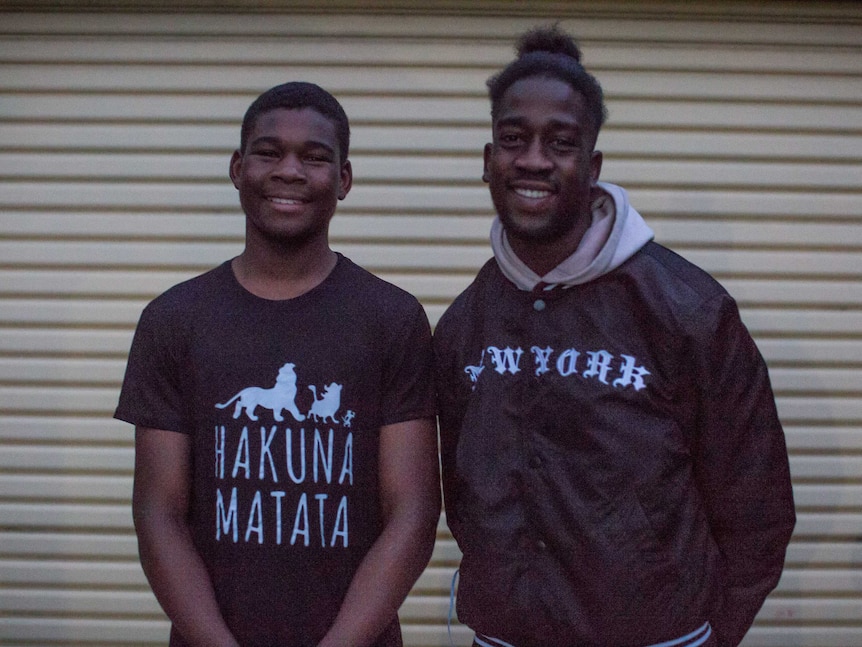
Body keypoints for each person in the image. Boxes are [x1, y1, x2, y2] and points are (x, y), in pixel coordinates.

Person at [434, 25, 795, 647]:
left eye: (561, 142)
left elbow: (757, 507)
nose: (534, 159)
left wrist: (714, 634)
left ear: (592, 165)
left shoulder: (688, 309)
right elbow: (461, 496)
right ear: (488, 161)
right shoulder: (465, 324)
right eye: (514, 139)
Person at [116, 81, 440, 647]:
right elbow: (158, 513)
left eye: (314, 157)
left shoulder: (393, 318)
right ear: (238, 168)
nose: (290, 170)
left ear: (343, 180)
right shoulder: (173, 319)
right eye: (269, 152)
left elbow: (412, 511)